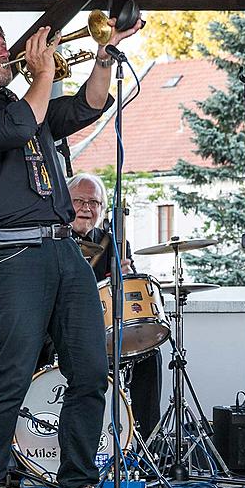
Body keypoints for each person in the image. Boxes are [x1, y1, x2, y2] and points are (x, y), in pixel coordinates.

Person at [0, 11, 141, 488]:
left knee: (92, 372)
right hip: (13, 256)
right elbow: (18, 126)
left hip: (63, 251)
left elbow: (86, 108)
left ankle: (77, 483)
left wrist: (104, 54)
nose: (2, 50)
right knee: (12, 373)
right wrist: (44, 75)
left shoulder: (23, 106)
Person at [67, 172, 163, 441]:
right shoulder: (54, 240)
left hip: (103, 333)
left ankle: (145, 444)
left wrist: (127, 277)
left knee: (149, 356)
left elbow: (132, 299)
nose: (87, 208)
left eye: (94, 203)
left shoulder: (115, 242)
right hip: (63, 332)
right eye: (79, 201)